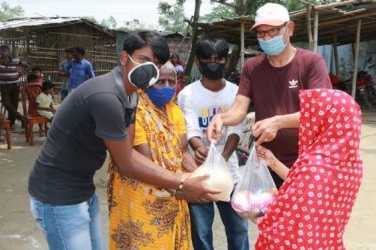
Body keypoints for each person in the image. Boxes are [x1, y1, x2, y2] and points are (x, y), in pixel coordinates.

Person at [28, 31, 218, 250]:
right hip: (57, 195)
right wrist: (181, 183)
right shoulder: (106, 98)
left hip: (82, 189)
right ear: (124, 58)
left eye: (156, 64)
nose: (151, 70)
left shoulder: (131, 93)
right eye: (144, 60)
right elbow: (126, 164)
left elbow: (130, 152)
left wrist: (183, 178)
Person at [206, 3, 332, 188]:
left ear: (289, 29)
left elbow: (320, 113)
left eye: (272, 31)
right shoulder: (253, 67)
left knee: (302, 214)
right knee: (264, 213)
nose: (266, 38)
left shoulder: (311, 62)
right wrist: (220, 118)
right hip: (266, 161)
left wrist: (278, 122)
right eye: (261, 33)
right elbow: (239, 110)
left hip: (307, 161)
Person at [254, 88, 363, 249]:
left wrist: (263, 205)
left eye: (312, 116)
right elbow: (310, 186)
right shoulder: (351, 164)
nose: (307, 122)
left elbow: (292, 216)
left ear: (324, 121)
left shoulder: (315, 164)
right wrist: (274, 162)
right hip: (325, 241)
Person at [108, 61, 196, 249]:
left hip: (173, 187)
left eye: (171, 82)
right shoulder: (136, 110)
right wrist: (180, 187)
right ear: (147, 83)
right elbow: (145, 159)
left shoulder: (175, 110)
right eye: (160, 82)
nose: (166, 87)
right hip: (142, 192)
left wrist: (203, 178)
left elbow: (184, 152)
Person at [178, 34, 249, 250]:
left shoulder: (236, 92)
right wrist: (200, 149)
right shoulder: (188, 94)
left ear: (226, 61)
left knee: (239, 230)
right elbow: (190, 129)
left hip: (231, 174)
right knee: (201, 233)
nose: (213, 64)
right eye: (207, 59)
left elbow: (236, 129)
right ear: (198, 63)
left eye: (218, 59)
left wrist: (221, 159)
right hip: (199, 173)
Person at [0, 44, 30, 130]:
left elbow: (28, 66)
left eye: (5, 51)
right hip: (4, 86)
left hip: (15, 85)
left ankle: (11, 123)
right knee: (6, 104)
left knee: (14, 105)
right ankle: (22, 118)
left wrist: (22, 73)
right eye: (2, 51)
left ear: (8, 52)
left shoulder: (15, 61)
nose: (3, 53)